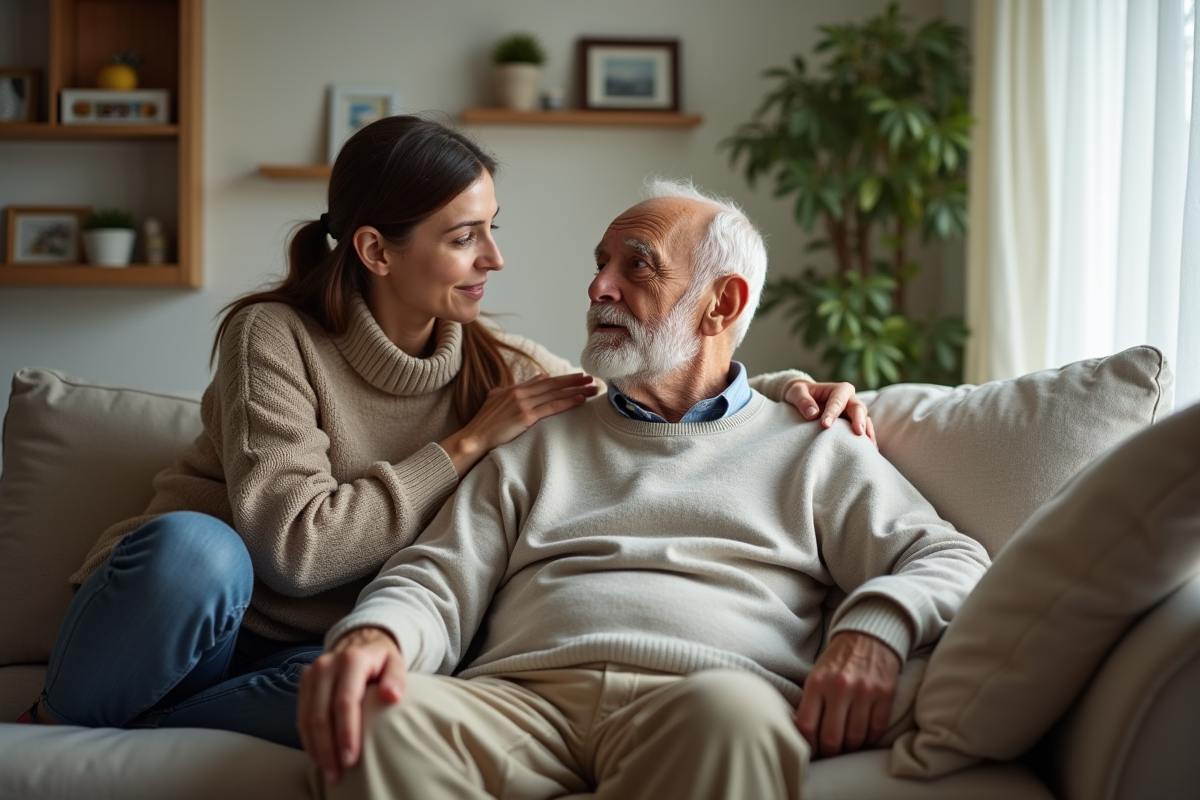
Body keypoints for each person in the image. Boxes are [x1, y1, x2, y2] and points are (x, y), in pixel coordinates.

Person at [15, 118, 871, 747]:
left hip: (305, 654)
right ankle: (62, 717)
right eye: (465, 238)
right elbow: (293, 553)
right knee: (199, 552)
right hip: (188, 613)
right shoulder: (272, 337)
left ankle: (118, 735)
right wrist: (462, 446)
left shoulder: (502, 366)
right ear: (376, 251)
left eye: (493, 228)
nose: (494, 259)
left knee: (378, 693)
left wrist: (786, 390)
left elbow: (646, 380)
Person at [297, 179, 991, 799]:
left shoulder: (814, 443)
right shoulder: (539, 435)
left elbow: (948, 557)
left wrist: (876, 627)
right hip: (519, 703)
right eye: (600, 263)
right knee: (374, 718)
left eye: (637, 265)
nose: (599, 287)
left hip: (701, 705)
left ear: (721, 303)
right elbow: (437, 577)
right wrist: (379, 634)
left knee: (732, 718)